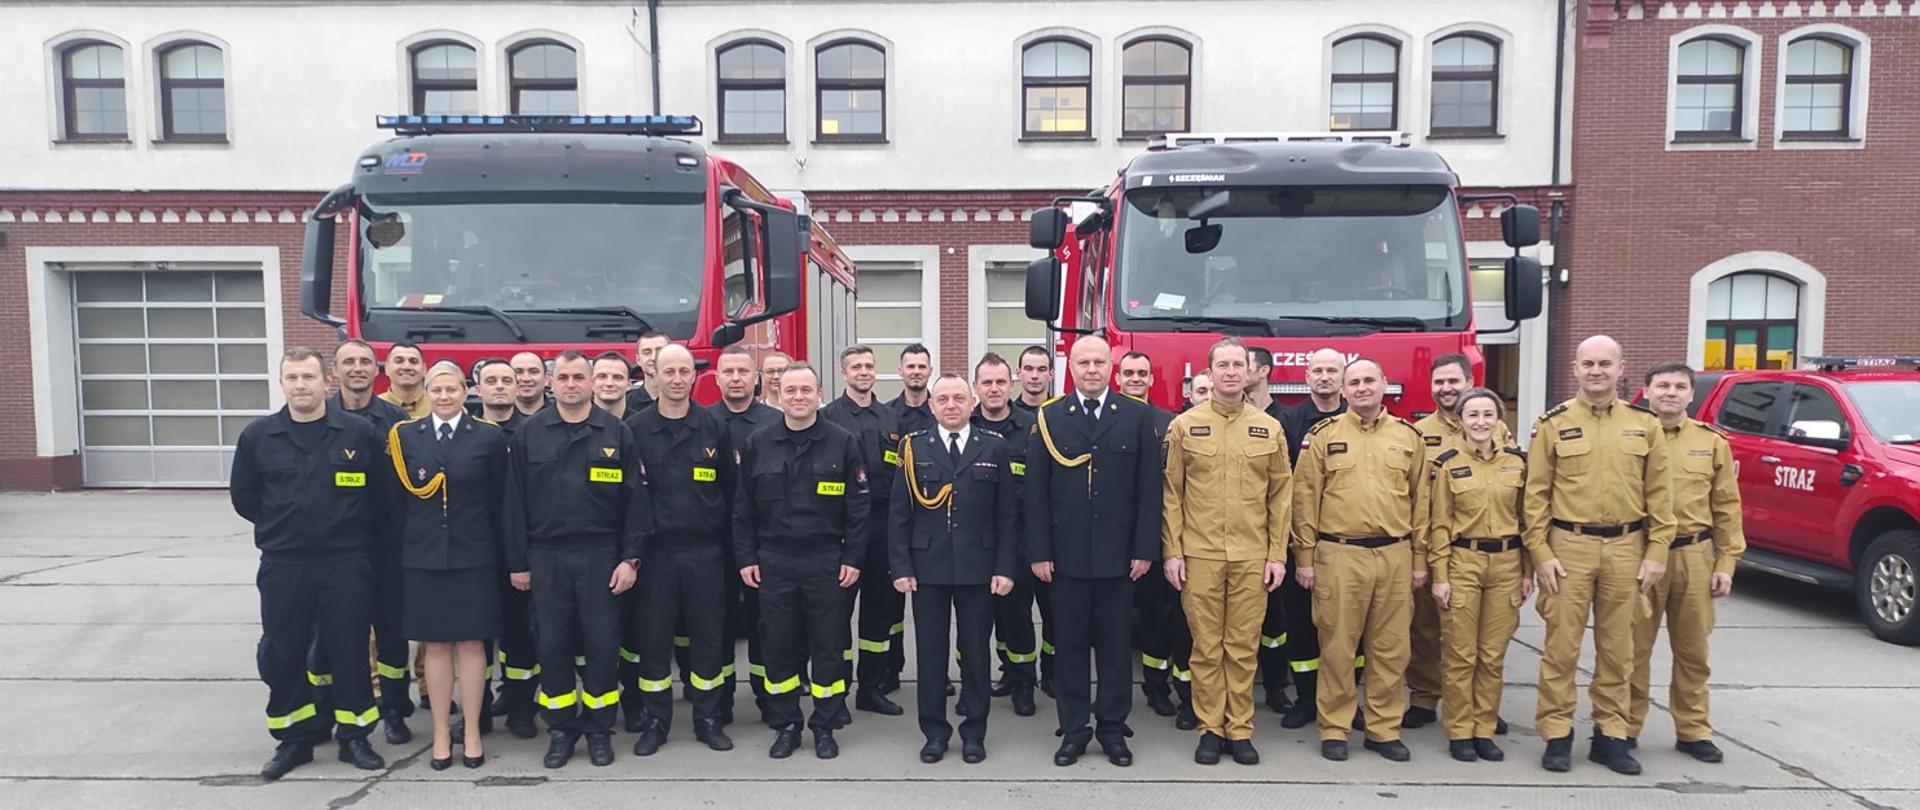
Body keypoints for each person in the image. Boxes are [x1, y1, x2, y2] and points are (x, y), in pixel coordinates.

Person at [230, 348, 387, 780]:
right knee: (284, 650)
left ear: (326, 382)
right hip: (285, 562)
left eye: (308, 377)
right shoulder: (258, 437)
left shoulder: (357, 433)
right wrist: (285, 525)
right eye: (293, 377)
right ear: (282, 383)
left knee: (350, 650)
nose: (301, 385)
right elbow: (245, 498)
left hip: (345, 562)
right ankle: (294, 739)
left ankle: (354, 737)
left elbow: (383, 499)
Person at [1525, 335, 1675, 775]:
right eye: (1588, 363)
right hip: (1568, 546)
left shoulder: (1644, 425)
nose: (1596, 371)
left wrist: (1657, 552)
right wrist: (1540, 553)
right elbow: (1535, 496)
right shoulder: (1552, 424)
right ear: (1574, 368)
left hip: (1628, 548)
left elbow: (1660, 496)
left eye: (1605, 363)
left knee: (1618, 648)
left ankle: (1611, 736)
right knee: (1561, 648)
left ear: (1621, 368)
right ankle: (1556, 734)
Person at [502, 351, 649, 769]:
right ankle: (562, 730)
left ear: (590, 383)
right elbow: (514, 505)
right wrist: (518, 563)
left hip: (601, 557)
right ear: (551, 384)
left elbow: (636, 502)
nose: (570, 384)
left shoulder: (615, 432)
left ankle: (600, 730)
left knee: (603, 646)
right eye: (562, 377)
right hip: (546, 557)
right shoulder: (530, 434)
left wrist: (630, 559)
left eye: (577, 377)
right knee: (553, 646)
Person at [1026, 335, 1161, 768]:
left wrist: (1143, 549)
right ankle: (1074, 729)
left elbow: (1148, 490)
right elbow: (1036, 494)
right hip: (1064, 559)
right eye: (1083, 362)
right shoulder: (1050, 417)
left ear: (1111, 368)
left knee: (1115, 649)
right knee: (1069, 649)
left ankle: (1112, 729)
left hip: (1118, 559)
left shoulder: (1136, 415)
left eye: (1099, 362)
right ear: (1072, 368)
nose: (1091, 369)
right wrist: (1039, 552)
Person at [1162, 339, 1292, 766]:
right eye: (1223, 365)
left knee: (1242, 646)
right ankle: (1209, 728)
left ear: (1252, 372)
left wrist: (1277, 555)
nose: (1232, 372)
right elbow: (1172, 495)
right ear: (1210, 372)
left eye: (1239, 365)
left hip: (1252, 555)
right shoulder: (1185, 426)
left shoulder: (1268, 428)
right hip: (1199, 555)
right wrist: (1172, 552)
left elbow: (1281, 496)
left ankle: (1239, 729)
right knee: (1206, 646)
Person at [734, 363, 871, 760]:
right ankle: (786, 724)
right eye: (790, 390)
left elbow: (858, 508)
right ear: (779, 392)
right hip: (774, 560)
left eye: (805, 390)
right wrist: (746, 557)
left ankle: (825, 725)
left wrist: (853, 558)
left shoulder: (842, 441)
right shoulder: (759, 442)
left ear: (819, 392)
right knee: (778, 647)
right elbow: (742, 508)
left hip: (825, 559)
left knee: (828, 646)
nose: (797, 397)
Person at [1292, 358, 1426, 763]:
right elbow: (1304, 502)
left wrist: (1420, 560)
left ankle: (1384, 730)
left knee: (1391, 648)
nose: (1363, 387)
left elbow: (1423, 504)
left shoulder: (1408, 437)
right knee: (1336, 646)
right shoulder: (1322, 436)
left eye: (1370, 379)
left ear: (1385, 383)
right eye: (1355, 382)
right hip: (1339, 554)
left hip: (1395, 555)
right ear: (1345, 391)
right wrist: (1304, 557)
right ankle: (1334, 727)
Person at [891, 373, 1019, 764]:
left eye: (958, 398)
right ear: (931, 405)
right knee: (930, 655)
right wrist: (900, 566)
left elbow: (1008, 517)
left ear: (971, 403)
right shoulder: (914, 448)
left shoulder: (994, 448)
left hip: (978, 569)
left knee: (976, 653)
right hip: (927, 568)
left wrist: (1005, 568)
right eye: (943, 398)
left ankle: (974, 732)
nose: (950, 405)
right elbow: (899, 515)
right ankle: (934, 732)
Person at [388, 361, 509, 770]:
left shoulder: (488, 438)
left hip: (475, 556)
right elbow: (395, 504)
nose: (444, 396)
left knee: (473, 645)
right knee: (436, 645)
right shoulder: (405, 436)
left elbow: (501, 502)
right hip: (423, 557)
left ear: (465, 391)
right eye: (436, 389)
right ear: (426, 391)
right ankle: (441, 731)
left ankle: (471, 729)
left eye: (452, 389)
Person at [1628, 362, 1745, 763]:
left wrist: (1726, 563)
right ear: (1646, 391)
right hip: (1641, 555)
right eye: (1662, 385)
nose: (1671, 393)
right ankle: (1625, 727)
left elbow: (1727, 507)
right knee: (1632, 648)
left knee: (1693, 650)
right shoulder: (1630, 437)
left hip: (1695, 554)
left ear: (1692, 395)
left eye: (1680, 386)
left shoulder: (1711, 443)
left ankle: (1693, 730)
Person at [624, 345, 738, 755]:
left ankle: (708, 719)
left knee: (708, 639)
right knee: (654, 641)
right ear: (653, 373)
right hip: (655, 554)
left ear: (694, 377)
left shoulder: (713, 427)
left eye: (683, 371)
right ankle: (656, 722)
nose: (676, 378)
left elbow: (731, 492)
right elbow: (627, 498)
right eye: (668, 370)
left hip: (705, 551)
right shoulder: (634, 429)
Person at [1425, 387, 1530, 763]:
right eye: (1473, 415)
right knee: (1460, 654)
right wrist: (1440, 575)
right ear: (1462, 421)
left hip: (1506, 564)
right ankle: (1459, 731)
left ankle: (1484, 729)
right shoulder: (1448, 464)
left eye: (1488, 414)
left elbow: (1527, 521)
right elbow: (1438, 525)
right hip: (1462, 563)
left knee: (1492, 655)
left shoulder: (1518, 464)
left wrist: (1527, 570)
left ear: (1499, 419)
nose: (1481, 422)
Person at [1408, 353, 1512, 730]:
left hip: (1481, 548)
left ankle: (1479, 707)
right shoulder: (1419, 432)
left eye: (1454, 380)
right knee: (1425, 629)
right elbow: (1416, 495)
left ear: (1469, 382)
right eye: (1439, 382)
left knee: (1483, 637)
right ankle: (1423, 697)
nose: (1446, 388)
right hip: (1434, 544)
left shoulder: (1498, 431)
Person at [317, 340, 413, 744]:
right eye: (348, 362)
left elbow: (403, 486)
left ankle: (393, 709)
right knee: (330, 636)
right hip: (331, 549)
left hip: (384, 546)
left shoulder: (394, 419)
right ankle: (327, 712)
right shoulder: (319, 416)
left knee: (391, 634)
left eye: (364, 362)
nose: (357, 368)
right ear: (334, 373)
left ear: (378, 371)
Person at [821, 345, 907, 716]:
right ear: (843, 374)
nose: (863, 372)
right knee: (836, 618)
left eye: (869, 365)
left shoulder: (891, 418)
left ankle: (871, 688)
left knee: (880, 615)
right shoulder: (828, 418)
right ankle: (835, 694)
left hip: (883, 530)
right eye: (856, 366)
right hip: (841, 530)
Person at [1117, 352, 1194, 726]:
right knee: (1113, 619)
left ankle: (1157, 685)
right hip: (1116, 538)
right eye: (1128, 373)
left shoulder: (1170, 424)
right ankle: (1113, 692)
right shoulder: (1108, 419)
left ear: (1151, 380)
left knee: (1158, 617)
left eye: (1141, 373)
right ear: (1119, 379)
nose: (1135, 378)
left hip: (1159, 536)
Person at [710, 346, 784, 725]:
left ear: (755, 378)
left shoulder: (775, 422)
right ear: (717, 377)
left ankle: (768, 699)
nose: (736, 378)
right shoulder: (703, 422)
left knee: (765, 625)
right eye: (729, 371)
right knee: (719, 625)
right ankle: (719, 703)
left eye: (743, 371)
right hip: (716, 543)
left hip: (763, 541)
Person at [1276, 347, 1348, 730]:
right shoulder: (1289, 421)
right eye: (1317, 370)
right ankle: (1306, 699)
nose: (1324, 377)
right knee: (1302, 625)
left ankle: (1346, 700)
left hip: (1348, 542)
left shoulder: (1358, 420)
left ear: (1343, 377)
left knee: (1350, 631)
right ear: (1306, 378)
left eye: (1331, 370)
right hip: (1301, 541)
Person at [967, 353, 1040, 717]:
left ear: (1010, 384)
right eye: (986, 383)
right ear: (976, 387)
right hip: (974, 542)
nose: (994, 389)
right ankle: (984, 679)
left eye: (1000, 382)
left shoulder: (1032, 427)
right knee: (976, 618)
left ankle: (1023, 680)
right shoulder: (965, 425)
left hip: (1019, 541)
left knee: (1016, 616)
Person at [488, 351, 548, 738]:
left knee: (519, 633)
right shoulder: (468, 431)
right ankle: (484, 704)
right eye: (494, 381)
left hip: (520, 551)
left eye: (511, 379)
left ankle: (521, 705)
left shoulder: (531, 432)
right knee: (477, 636)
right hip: (474, 552)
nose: (508, 385)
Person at [1243, 347, 1293, 716]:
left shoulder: (1282, 422)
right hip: (1231, 543)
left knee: (1274, 622)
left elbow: (1284, 489)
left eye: (1241, 365)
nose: (1233, 372)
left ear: (1263, 371)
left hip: (1269, 540)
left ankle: (1276, 687)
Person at [890, 343, 937, 437]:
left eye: (922, 367)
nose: (916, 372)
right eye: (911, 367)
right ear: (900, 371)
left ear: (930, 371)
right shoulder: (887, 414)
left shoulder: (941, 413)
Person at [379, 342, 431, 419]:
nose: (406, 367)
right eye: (399, 361)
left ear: (424, 369)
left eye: (413, 361)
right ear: (387, 368)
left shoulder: (438, 403)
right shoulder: (376, 406)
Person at [627, 331, 672, 412]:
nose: (653, 357)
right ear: (638, 360)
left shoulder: (684, 404)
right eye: (647, 352)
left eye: (659, 351)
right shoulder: (626, 406)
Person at [592, 351, 633, 420]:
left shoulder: (641, 425)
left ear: (629, 385)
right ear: (591, 383)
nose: (609, 383)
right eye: (602, 376)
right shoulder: (574, 423)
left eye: (618, 377)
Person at [1013, 345, 1053, 414]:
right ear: (1018, 373)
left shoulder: (1062, 415)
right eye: (1028, 369)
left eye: (1041, 369)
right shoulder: (1008, 415)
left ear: (1051, 374)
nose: (1034, 376)